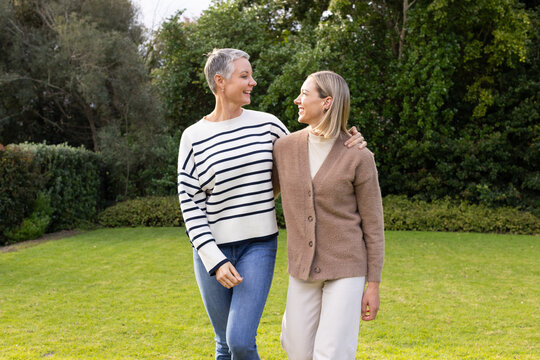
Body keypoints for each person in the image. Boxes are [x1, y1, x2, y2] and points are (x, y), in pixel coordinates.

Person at [177, 49, 366, 360]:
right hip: (211, 251)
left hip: (258, 247)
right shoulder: (193, 137)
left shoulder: (268, 126)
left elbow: (311, 153)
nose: (253, 81)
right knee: (223, 345)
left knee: (239, 340)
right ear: (220, 81)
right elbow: (190, 204)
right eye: (244, 76)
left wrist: (349, 141)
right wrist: (213, 258)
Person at [272, 70, 385, 360]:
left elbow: (373, 226)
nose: (297, 100)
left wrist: (373, 284)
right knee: (296, 349)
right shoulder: (284, 148)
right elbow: (262, 194)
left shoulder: (359, 155)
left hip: (346, 267)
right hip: (302, 266)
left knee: (332, 353)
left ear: (327, 102)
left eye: (305, 94)